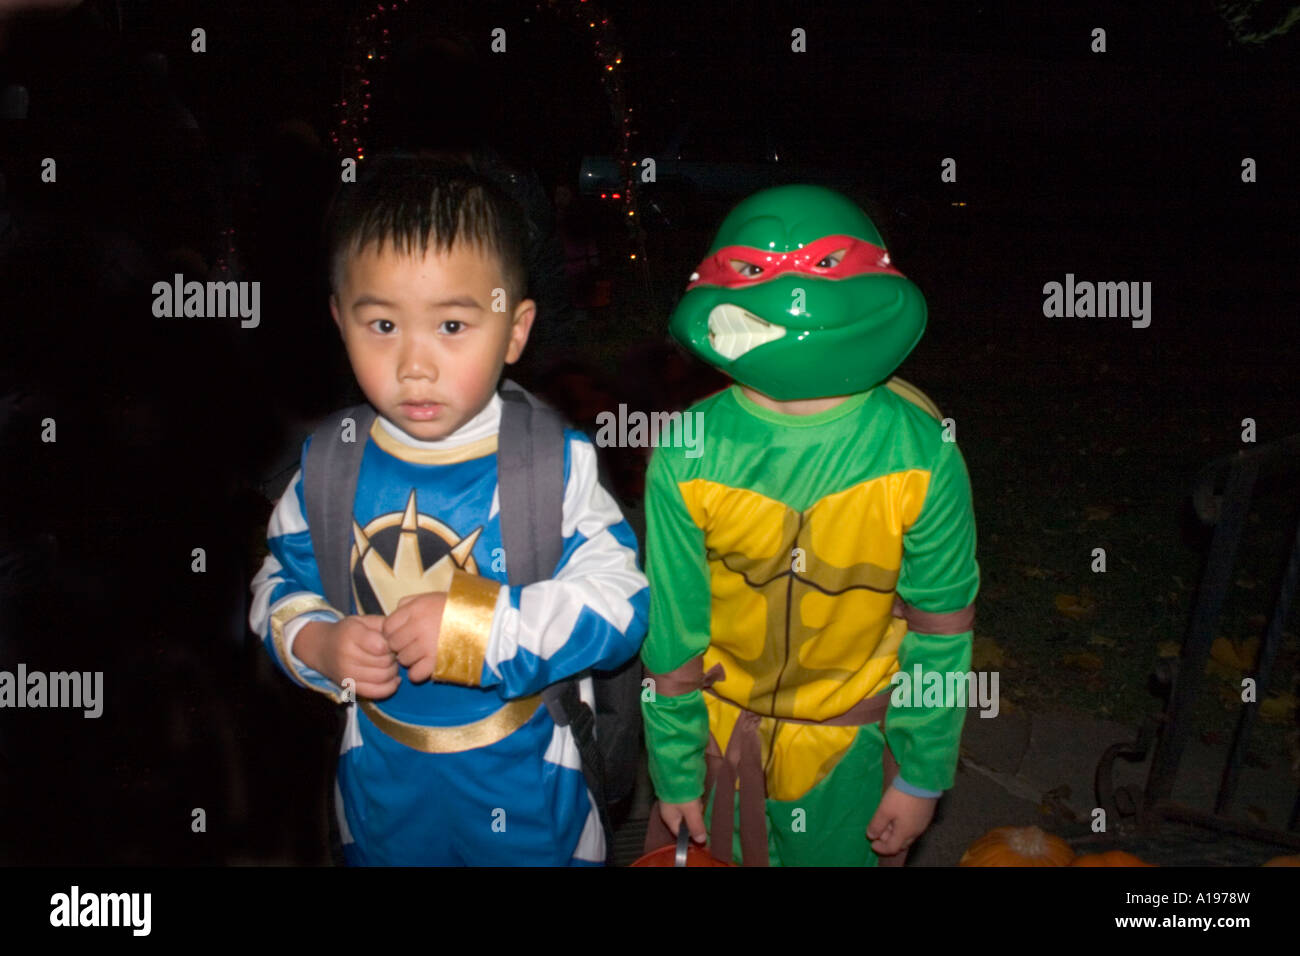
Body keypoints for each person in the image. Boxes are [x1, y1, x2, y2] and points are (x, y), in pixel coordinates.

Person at [248, 157, 648, 865]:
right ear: (339, 319)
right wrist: (314, 643)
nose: (414, 364)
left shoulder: (552, 465)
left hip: (531, 789)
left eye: (453, 325)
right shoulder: (328, 466)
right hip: (379, 789)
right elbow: (277, 582)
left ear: (516, 330)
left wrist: (477, 630)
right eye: (381, 324)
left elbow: (621, 608)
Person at [640, 184, 980, 866]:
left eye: (822, 268)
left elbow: (940, 628)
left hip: (851, 752)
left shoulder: (921, 453)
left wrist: (921, 771)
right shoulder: (687, 450)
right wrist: (675, 764)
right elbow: (673, 630)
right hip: (720, 743)